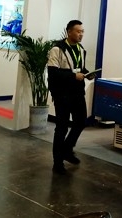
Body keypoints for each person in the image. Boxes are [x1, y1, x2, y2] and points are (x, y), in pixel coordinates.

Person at [47, 19, 90, 174]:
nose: (81, 34)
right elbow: (53, 73)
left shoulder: (81, 49)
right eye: (78, 31)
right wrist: (73, 76)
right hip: (62, 94)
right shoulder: (57, 49)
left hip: (78, 92)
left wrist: (87, 73)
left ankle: (67, 149)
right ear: (69, 32)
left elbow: (80, 68)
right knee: (62, 127)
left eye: (82, 32)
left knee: (81, 121)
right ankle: (57, 162)